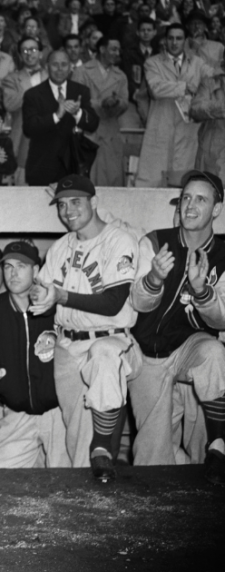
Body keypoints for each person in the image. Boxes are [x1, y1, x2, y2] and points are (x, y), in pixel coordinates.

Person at [29, 175, 139, 482]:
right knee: (77, 436)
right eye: (62, 205)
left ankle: (104, 451)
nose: (67, 211)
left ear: (94, 202)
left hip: (111, 338)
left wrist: (61, 295)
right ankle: (90, 502)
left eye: (76, 202)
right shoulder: (60, 247)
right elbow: (46, 291)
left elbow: (114, 302)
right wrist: (41, 296)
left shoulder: (118, 240)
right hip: (68, 345)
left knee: (105, 365)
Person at [127, 170, 225, 484]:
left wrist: (202, 291)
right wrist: (154, 279)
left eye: (201, 199)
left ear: (217, 209)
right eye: (186, 198)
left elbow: (220, 319)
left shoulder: (224, 254)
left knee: (214, 351)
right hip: (149, 353)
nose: (190, 205)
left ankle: (219, 443)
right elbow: (139, 304)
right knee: (151, 458)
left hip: (189, 348)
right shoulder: (156, 241)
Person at [0, 242, 70, 468]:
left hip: (58, 412)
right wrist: (0, 383)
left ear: (36, 271)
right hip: (17, 413)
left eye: (21, 266)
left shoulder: (55, 308)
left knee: (67, 480)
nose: (13, 273)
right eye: (8, 266)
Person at [136, 23, 215, 188]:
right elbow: (156, 88)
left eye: (179, 38)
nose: (174, 42)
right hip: (160, 126)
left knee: (184, 181)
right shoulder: (152, 63)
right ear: (165, 40)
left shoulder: (198, 63)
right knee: (152, 179)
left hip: (188, 129)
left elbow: (214, 79)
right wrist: (184, 87)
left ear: (185, 40)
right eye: (170, 38)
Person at [22, 50, 98, 186]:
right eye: (55, 64)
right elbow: (29, 128)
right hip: (42, 167)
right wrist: (56, 116)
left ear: (70, 67)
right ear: (47, 66)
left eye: (64, 64)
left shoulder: (80, 91)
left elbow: (93, 124)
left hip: (73, 166)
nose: (59, 69)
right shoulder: (33, 94)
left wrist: (77, 113)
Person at [72, 36, 130, 186]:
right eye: (113, 49)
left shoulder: (120, 75)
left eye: (119, 50)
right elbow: (75, 100)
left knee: (113, 179)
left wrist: (115, 103)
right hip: (89, 133)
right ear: (102, 49)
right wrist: (101, 104)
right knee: (89, 179)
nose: (117, 53)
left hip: (111, 132)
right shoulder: (82, 71)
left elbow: (125, 102)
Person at [1, 36, 49, 185]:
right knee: (24, 187)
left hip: (51, 137)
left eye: (33, 49)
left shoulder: (53, 77)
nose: (29, 53)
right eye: (25, 50)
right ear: (20, 55)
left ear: (41, 53)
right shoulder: (11, 79)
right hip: (24, 139)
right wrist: (36, 94)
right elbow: (10, 104)